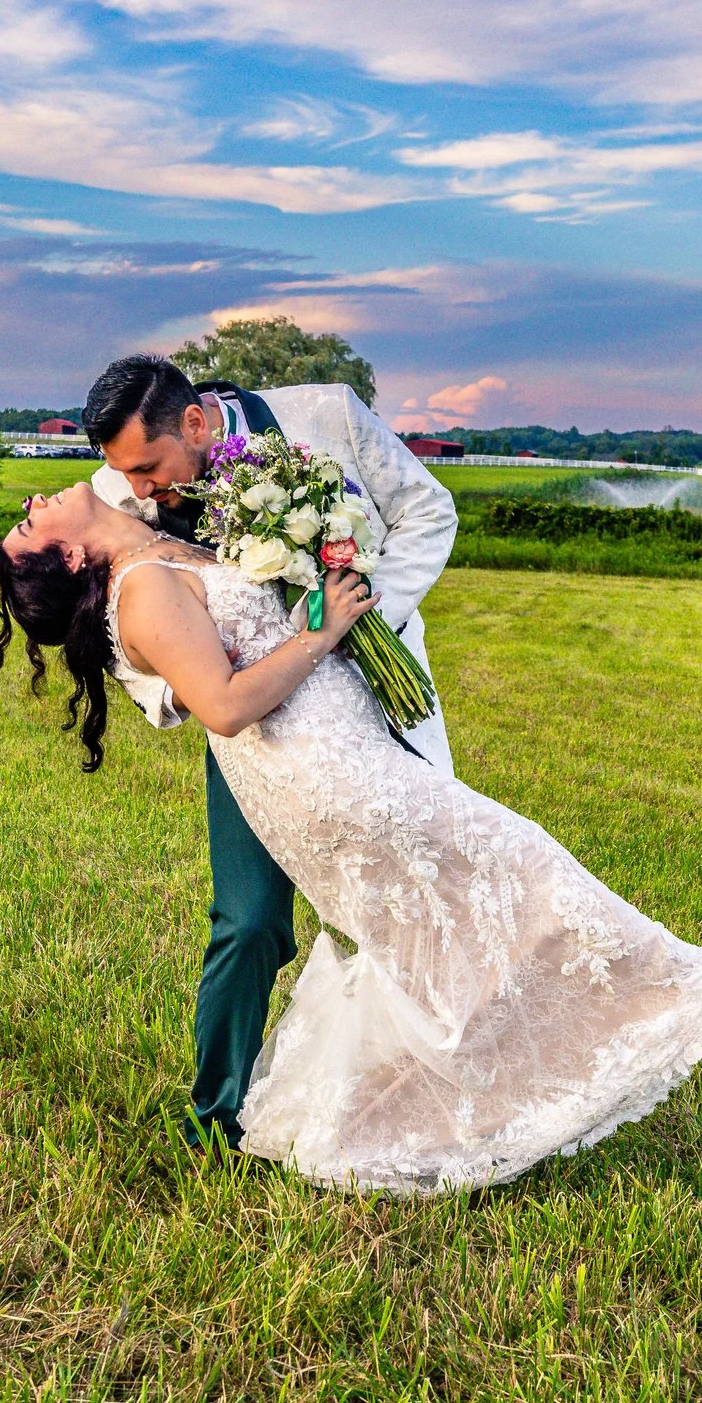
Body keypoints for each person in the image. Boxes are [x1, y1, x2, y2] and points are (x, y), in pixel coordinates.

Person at [0, 480, 702, 1196]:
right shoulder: (142, 588)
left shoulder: (153, 543)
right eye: (28, 524)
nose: (30, 503)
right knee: (523, 866)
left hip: (343, 750)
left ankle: (422, 1106)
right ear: (65, 558)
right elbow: (226, 705)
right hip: (328, 776)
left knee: (449, 931)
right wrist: (321, 632)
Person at [79, 356, 458, 1150]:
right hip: (255, 724)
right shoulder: (119, 493)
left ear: (194, 423)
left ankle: (435, 1097)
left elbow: (430, 510)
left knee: (427, 899)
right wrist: (185, 684)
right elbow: (117, 626)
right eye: (125, 476)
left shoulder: (329, 415)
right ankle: (215, 1118)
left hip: (372, 699)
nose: (140, 491)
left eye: (149, 468)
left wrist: (363, 614)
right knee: (249, 923)